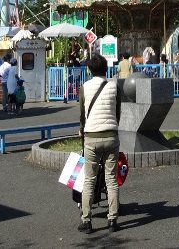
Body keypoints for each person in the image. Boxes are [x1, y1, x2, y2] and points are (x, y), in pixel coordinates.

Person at [78, 53, 121, 234]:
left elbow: (82, 115)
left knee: (89, 180)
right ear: (106, 68)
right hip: (111, 136)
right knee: (111, 179)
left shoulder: (85, 87)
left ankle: (87, 221)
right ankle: (113, 220)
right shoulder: (114, 86)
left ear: (90, 69)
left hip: (92, 137)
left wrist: (82, 130)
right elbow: (118, 112)